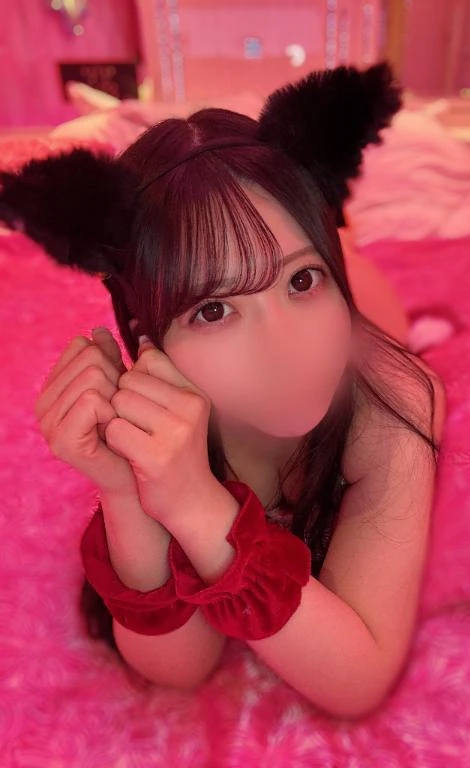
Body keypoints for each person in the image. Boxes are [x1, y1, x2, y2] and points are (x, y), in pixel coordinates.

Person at [0, 62, 445, 720]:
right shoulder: (167, 409)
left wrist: (195, 505)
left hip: (368, 308)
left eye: (301, 281)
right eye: (213, 310)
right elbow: (182, 671)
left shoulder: (394, 402)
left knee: (365, 285)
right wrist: (127, 492)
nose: (284, 351)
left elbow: (357, 681)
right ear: (147, 337)